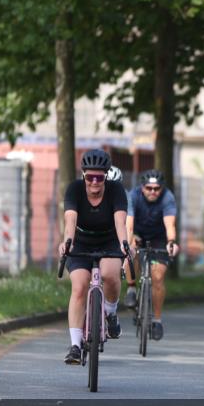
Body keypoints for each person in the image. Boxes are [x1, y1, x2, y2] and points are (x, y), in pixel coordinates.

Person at [59, 149, 130, 365]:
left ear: (106, 176)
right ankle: (75, 346)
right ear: (84, 175)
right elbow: (70, 222)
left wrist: (124, 244)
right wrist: (67, 243)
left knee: (110, 275)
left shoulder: (116, 190)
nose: (95, 182)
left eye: (100, 177)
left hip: (109, 241)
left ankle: (110, 312)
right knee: (79, 287)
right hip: (80, 242)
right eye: (90, 177)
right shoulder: (74, 189)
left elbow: (120, 222)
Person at [124, 169, 180, 341]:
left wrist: (171, 242)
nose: (153, 192)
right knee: (130, 250)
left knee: (158, 277)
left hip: (159, 238)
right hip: (138, 234)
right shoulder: (133, 196)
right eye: (149, 188)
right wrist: (129, 242)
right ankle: (131, 287)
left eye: (156, 189)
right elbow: (129, 225)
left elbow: (170, 225)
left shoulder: (168, 198)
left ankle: (157, 320)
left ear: (162, 188)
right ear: (142, 187)